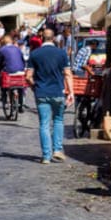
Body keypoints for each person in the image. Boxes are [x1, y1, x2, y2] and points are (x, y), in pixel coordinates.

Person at [26, 28, 74, 164]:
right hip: (58, 92)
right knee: (58, 120)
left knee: (44, 124)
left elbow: (28, 76)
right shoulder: (61, 53)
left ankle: (46, 156)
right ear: (54, 39)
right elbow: (68, 74)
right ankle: (57, 150)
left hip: (41, 93)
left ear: (42, 38)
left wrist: (34, 87)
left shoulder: (35, 54)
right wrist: (71, 92)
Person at [0, 33, 27, 112]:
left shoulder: (2, 50)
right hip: (20, 71)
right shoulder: (17, 49)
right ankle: (20, 105)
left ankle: (4, 98)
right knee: (20, 87)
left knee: (3, 83)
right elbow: (22, 60)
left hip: (9, 72)